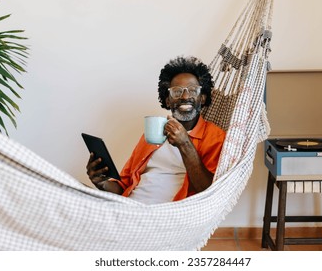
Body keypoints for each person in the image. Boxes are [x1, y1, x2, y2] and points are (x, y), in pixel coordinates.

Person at [86, 56, 226, 204]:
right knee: (65, 192)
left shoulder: (215, 137)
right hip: (130, 207)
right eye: (177, 92)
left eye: (192, 90)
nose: (185, 96)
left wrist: (185, 143)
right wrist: (102, 183)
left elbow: (209, 192)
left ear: (203, 98)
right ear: (167, 100)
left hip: (166, 214)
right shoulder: (153, 132)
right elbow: (124, 186)